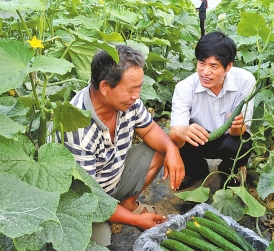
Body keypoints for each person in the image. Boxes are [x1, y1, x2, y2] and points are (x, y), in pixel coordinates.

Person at [50, 45, 185, 246]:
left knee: (161, 146)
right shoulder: (77, 128)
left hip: (114, 178)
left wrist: (172, 149)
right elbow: (88, 197)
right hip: (83, 198)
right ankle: (121, 213)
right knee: (100, 241)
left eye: (139, 87)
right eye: (132, 89)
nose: (137, 95)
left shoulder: (128, 101)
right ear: (105, 87)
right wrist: (137, 221)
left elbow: (149, 130)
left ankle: (127, 204)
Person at [169, 32, 256, 190]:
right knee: (180, 143)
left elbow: (242, 129)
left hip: (227, 139)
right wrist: (182, 132)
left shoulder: (245, 80)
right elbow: (175, 133)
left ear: (228, 66)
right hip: (198, 141)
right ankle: (196, 171)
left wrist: (237, 127)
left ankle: (227, 171)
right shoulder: (184, 88)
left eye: (213, 66)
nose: (205, 71)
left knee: (243, 145)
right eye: (202, 63)